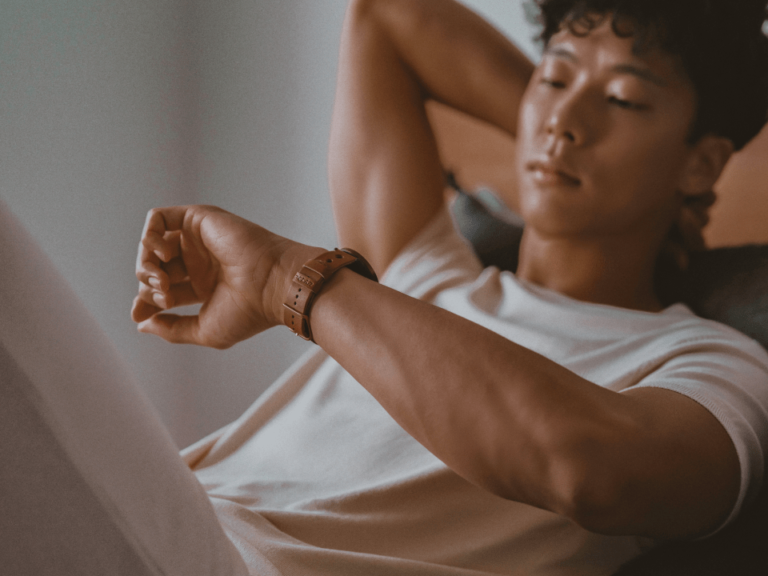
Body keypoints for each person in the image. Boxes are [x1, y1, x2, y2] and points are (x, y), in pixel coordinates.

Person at [129, 0, 765, 574]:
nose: (563, 120)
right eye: (553, 79)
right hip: (161, 505)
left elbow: (596, 474)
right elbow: (385, 18)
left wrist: (284, 281)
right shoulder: (422, 272)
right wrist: (574, 136)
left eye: (624, 99)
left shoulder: (714, 364)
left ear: (702, 163)